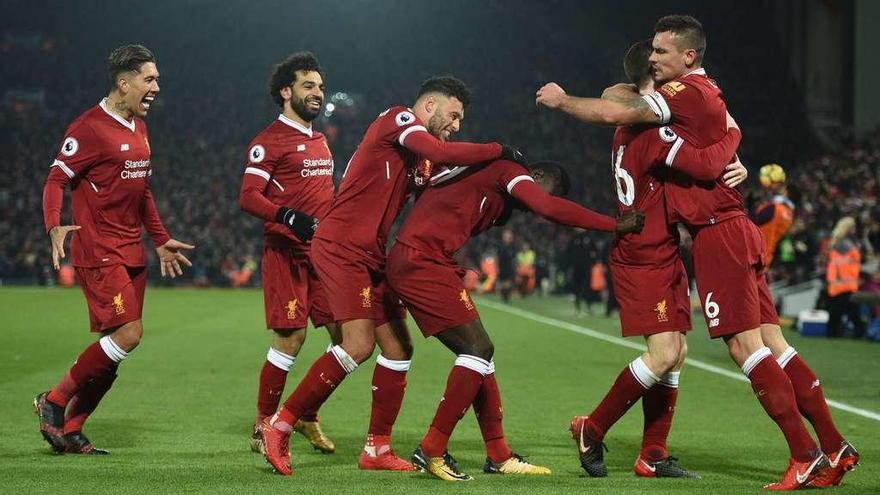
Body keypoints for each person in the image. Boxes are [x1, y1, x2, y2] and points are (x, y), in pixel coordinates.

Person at [538, 15, 857, 489]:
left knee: (730, 348)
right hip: (668, 244)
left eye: (662, 54)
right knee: (704, 349)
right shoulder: (653, 124)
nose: (656, 62)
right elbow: (692, 151)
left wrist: (732, 145)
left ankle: (810, 452)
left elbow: (631, 111)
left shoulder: (669, 109)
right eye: (653, 60)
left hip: (709, 235)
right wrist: (734, 135)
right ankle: (823, 447)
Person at [261, 76, 523, 476]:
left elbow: (444, 183)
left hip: (371, 254)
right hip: (340, 245)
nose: (456, 125)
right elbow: (440, 149)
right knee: (359, 344)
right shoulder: (397, 118)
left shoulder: (422, 160)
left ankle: (377, 448)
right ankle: (280, 425)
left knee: (399, 348)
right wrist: (498, 150)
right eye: (453, 116)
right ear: (430, 106)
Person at [386, 159, 644, 481]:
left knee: (481, 354)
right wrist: (613, 224)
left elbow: (442, 204)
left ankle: (498, 455)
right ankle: (432, 449)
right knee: (477, 349)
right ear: (535, 176)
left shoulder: (498, 202)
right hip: (418, 261)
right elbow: (548, 207)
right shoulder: (510, 171)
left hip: (429, 261)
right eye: (547, 194)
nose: (537, 209)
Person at [566, 39, 745, 479]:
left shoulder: (636, 122)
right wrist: (734, 138)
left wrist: (735, 162)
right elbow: (702, 165)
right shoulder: (651, 128)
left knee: (677, 352)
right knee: (664, 353)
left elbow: (616, 97)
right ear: (653, 84)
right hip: (643, 253)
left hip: (660, 248)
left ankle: (653, 453)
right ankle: (593, 426)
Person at [37, 44, 193, 455]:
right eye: (150, 79)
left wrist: (160, 239)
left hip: (131, 251)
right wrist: (54, 225)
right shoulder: (88, 128)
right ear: (124, 84)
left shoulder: (138, 126)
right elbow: (56, 179)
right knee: (129, 333)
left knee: (112, 353)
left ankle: (72, 428)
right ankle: (52, 402)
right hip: (99, 249)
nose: (157, 86)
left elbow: (142, 192)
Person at [238, 52, 340, 455]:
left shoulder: (320, 140)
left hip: (325, 257)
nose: (317, 93)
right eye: (308, 86)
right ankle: (263, 426)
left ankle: (304, 412)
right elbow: (248, 197)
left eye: (320, 86)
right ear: (286, 92)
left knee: (351, 339)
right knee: (291, 339)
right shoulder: (268, 142)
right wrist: (288, 216)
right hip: (286, 254)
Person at [825, 217, 865, 338]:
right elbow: (852, 265)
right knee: (851, 313)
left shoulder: (836, 244)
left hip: (837, 285)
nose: (855, 229)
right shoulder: (849, 245)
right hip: (847, 284)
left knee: (837, 313)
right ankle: (859, 333)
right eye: (852, 226)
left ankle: (833, 334)